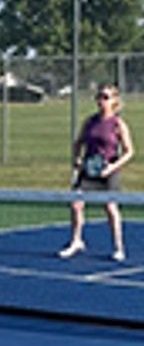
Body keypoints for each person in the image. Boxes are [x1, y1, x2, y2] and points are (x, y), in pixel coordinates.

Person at [58, 85, 135, 261]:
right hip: (88, 169)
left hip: (108, 171)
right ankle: (76, 241)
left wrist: (112, 167)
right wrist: (76, 159)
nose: (101, 100)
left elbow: (129, 151)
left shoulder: (118, 124)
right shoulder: (90, 121)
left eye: (106, 97)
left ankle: (118, 247)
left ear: (115, 101)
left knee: (110, 208)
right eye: (99, 96)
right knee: (76, 203)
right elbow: (78, 143)